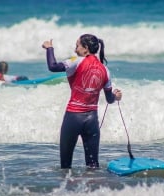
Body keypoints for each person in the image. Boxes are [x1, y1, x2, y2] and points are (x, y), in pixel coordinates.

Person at [42, 34, 122, 169]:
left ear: (85, 48)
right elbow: (109, 99)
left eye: (77, 46)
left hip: (73, 117)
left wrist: (49, 49)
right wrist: (116, 96)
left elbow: (53, 66)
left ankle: (68, 189)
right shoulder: (105, 70)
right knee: (93, 166)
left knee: (65, 166)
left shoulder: (75, 61)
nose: (75, 50)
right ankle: (95, 189)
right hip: (92, 121)